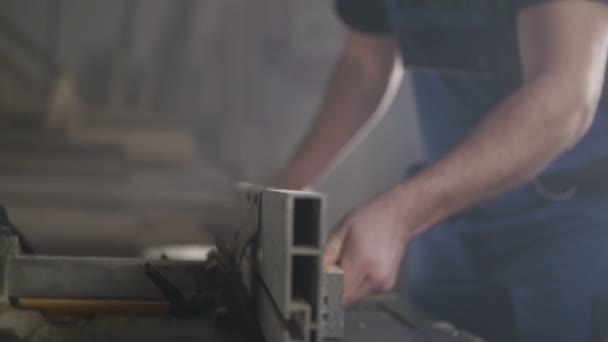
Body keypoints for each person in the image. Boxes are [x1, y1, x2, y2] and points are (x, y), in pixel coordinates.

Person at [272, 1, 608, 341]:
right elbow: (363, 67)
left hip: (573, 223)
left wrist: (399, 215)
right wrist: (287, 186)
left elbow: (565, 99)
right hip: (447, 222)